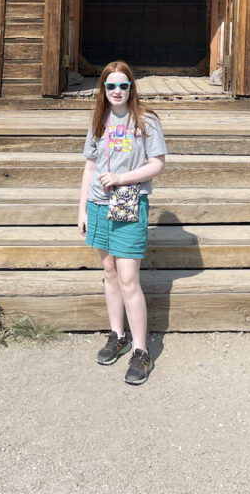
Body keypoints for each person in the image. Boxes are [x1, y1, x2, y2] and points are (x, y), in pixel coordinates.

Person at [78, 60, 167, 385]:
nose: (117, 91)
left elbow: (157, 163)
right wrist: (82, 210)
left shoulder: (145, 121)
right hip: (99, 206)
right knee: (109, 272)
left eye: (123, 85)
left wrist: (121, 178)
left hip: (130, 204)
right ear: (103, 89)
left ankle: (141, 350)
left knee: (129, 278)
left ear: (132, 87)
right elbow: (90, 168)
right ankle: (117, 334)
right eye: (111, 86)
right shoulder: (98, 121)